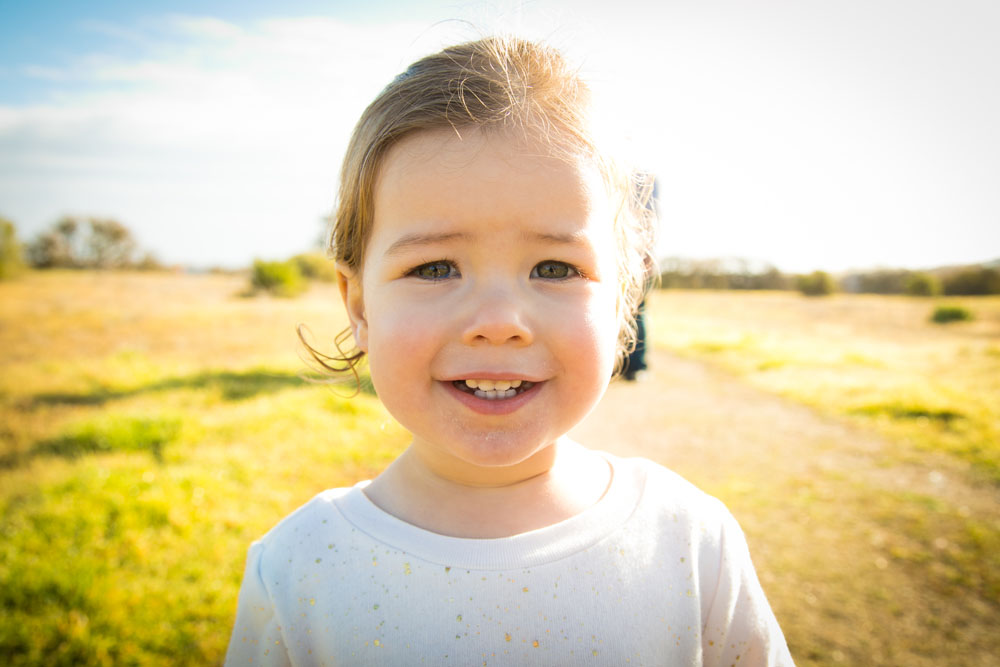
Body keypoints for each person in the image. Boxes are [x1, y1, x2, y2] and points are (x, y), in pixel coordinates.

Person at [225, 36, 793, 666]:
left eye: (554, 267)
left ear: (625, 296)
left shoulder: (690, 542)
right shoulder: (299, 567)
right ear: (359, 305)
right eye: (436, 267)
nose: (498, 324)